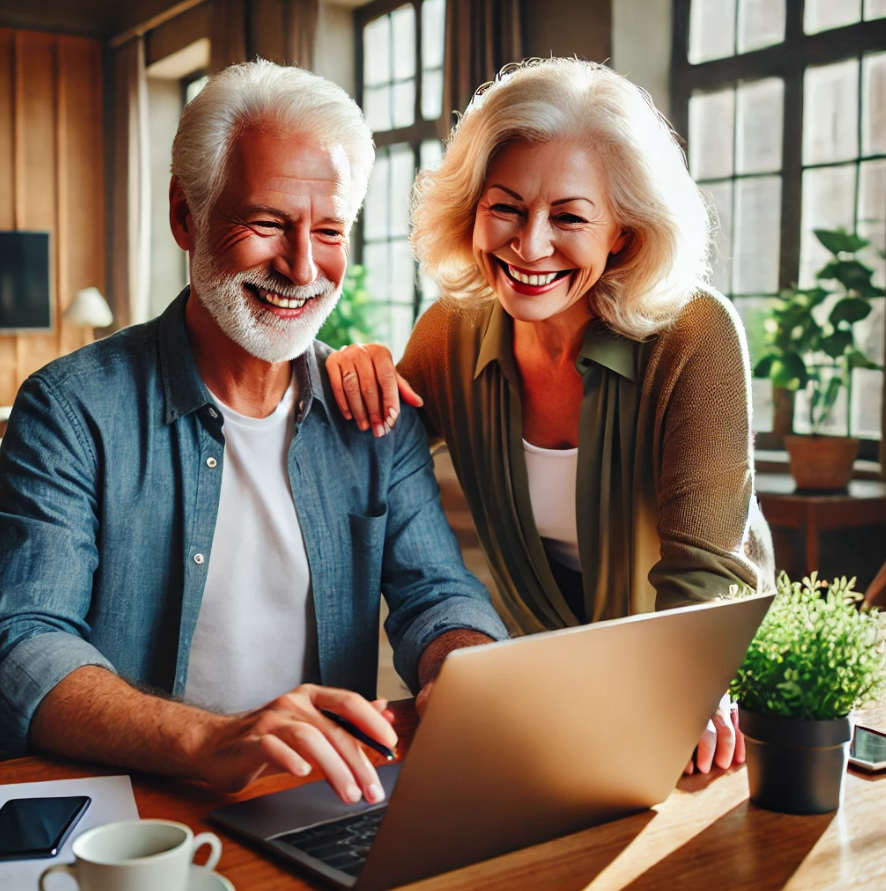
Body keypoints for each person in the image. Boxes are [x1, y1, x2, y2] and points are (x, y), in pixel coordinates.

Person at [0, 60, 509, 803]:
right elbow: (24, 643)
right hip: (135, 807)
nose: (302, 267)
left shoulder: (372, 415)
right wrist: (208, 738)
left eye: (329, 230)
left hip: (319, 798)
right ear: (186, 217)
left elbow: (438, 592)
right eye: (267, 222)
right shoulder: (70, 409)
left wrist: (462, 665)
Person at [327, 58, 776, 775]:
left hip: (704, 683)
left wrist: (685, 690)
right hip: (557, 683)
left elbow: (702, 577)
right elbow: (379, 451)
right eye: (505, 206)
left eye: (568, 216)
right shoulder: (450, 332)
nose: (529, 246)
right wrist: (356, 367)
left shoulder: (696, 335)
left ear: (622, 234)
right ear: (471, 208)